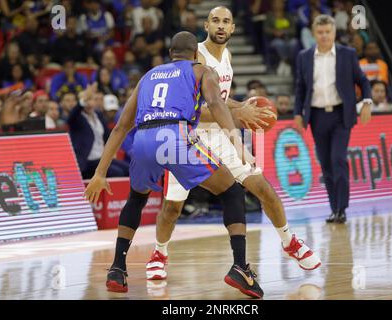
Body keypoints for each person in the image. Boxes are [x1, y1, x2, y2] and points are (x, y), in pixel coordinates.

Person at [146, 6, 321, 283]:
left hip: (220, 136)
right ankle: (159, 253)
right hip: (189, 139)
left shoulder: (226, 56)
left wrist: (243, 106)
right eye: (215, 20)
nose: (220, 25)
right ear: (206, 25)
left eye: (226, 21)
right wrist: (238, 114)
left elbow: (220, 100)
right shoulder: (196, 57)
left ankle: (290, 242)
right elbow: (191, 108)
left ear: (232, 29)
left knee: (263, 188)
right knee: (172, 208)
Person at [84, 31, 264, 298]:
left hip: (143, 139)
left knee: (136, 198)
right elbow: (215, 104)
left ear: (170, 54)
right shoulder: (201, 70)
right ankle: (240, 268)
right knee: (232, 191)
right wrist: (238, 144)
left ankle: (117, 268)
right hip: (173, 137)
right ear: (195, 54)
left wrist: (100, 173)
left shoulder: (148, 75)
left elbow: (121, 126)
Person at [294, 15, 372, 224]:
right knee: (326, 164)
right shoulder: (304, 56)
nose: (324, 36)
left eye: (328, 32)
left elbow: (363, 81)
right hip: (317, 116)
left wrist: (367, 102)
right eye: (320, 32)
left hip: (340, 115)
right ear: (314, 33)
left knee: (338, 159)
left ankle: (342, 208)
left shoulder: (348, 54)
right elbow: (300, 87)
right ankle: (334, 208)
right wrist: (297, 113)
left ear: (334, 33)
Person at [67, 83, 129, 179]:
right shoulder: (77, 118)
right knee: (118, 172)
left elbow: (108, 136)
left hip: (102, 158)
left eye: (91, 99)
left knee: (128, 169)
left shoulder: (98, 115)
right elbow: (71, 116)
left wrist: (112, 152)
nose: (89, 102)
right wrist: (83, 100)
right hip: (88, 161)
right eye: (86, 100)